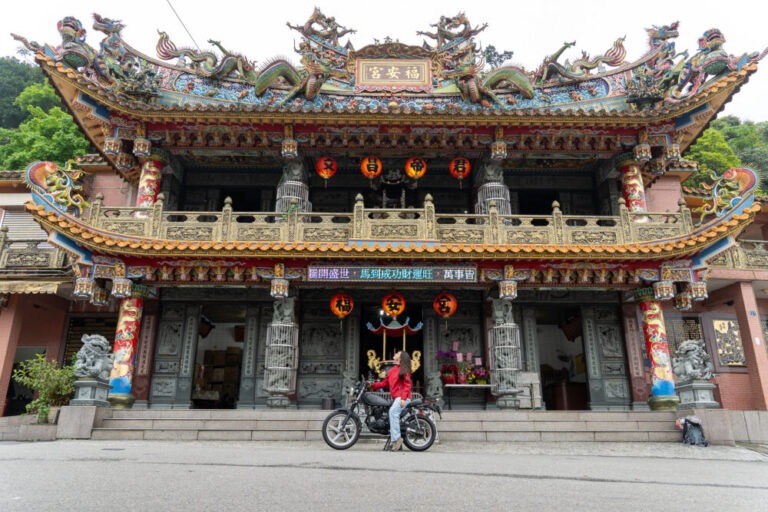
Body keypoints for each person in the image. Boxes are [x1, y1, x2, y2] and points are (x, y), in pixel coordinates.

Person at [371, 351, 412, 451]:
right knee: (391, 412)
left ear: (400, 358)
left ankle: (396, 440)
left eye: (398, 353)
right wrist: (372, 385)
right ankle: (396, 440)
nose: (396, 353)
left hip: (403, 397)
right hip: (397, 398)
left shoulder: (404, 369)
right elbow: (385, 383)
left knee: (393, 412)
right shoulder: (392, 370)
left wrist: (403, 398)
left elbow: (407, 385)